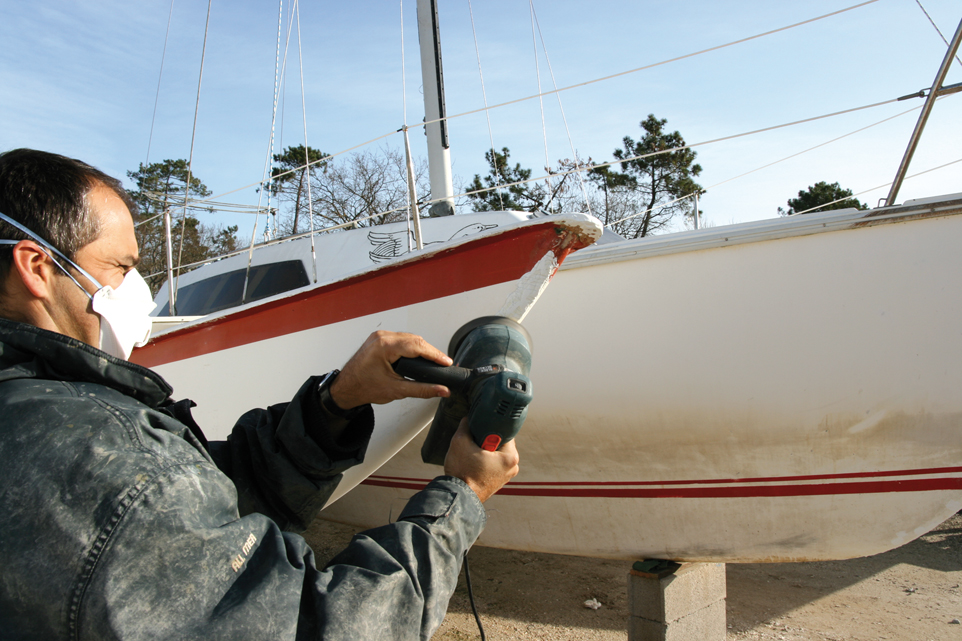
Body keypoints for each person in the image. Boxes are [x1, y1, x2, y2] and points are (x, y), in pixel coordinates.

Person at [0, 148, 520, 640]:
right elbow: (319, 627)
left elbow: (212, 496)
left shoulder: (39, 418)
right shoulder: (98, 459)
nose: (138, 287)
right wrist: (461, 497)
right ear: (37, 268)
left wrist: (336, 401)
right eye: (121, 267)